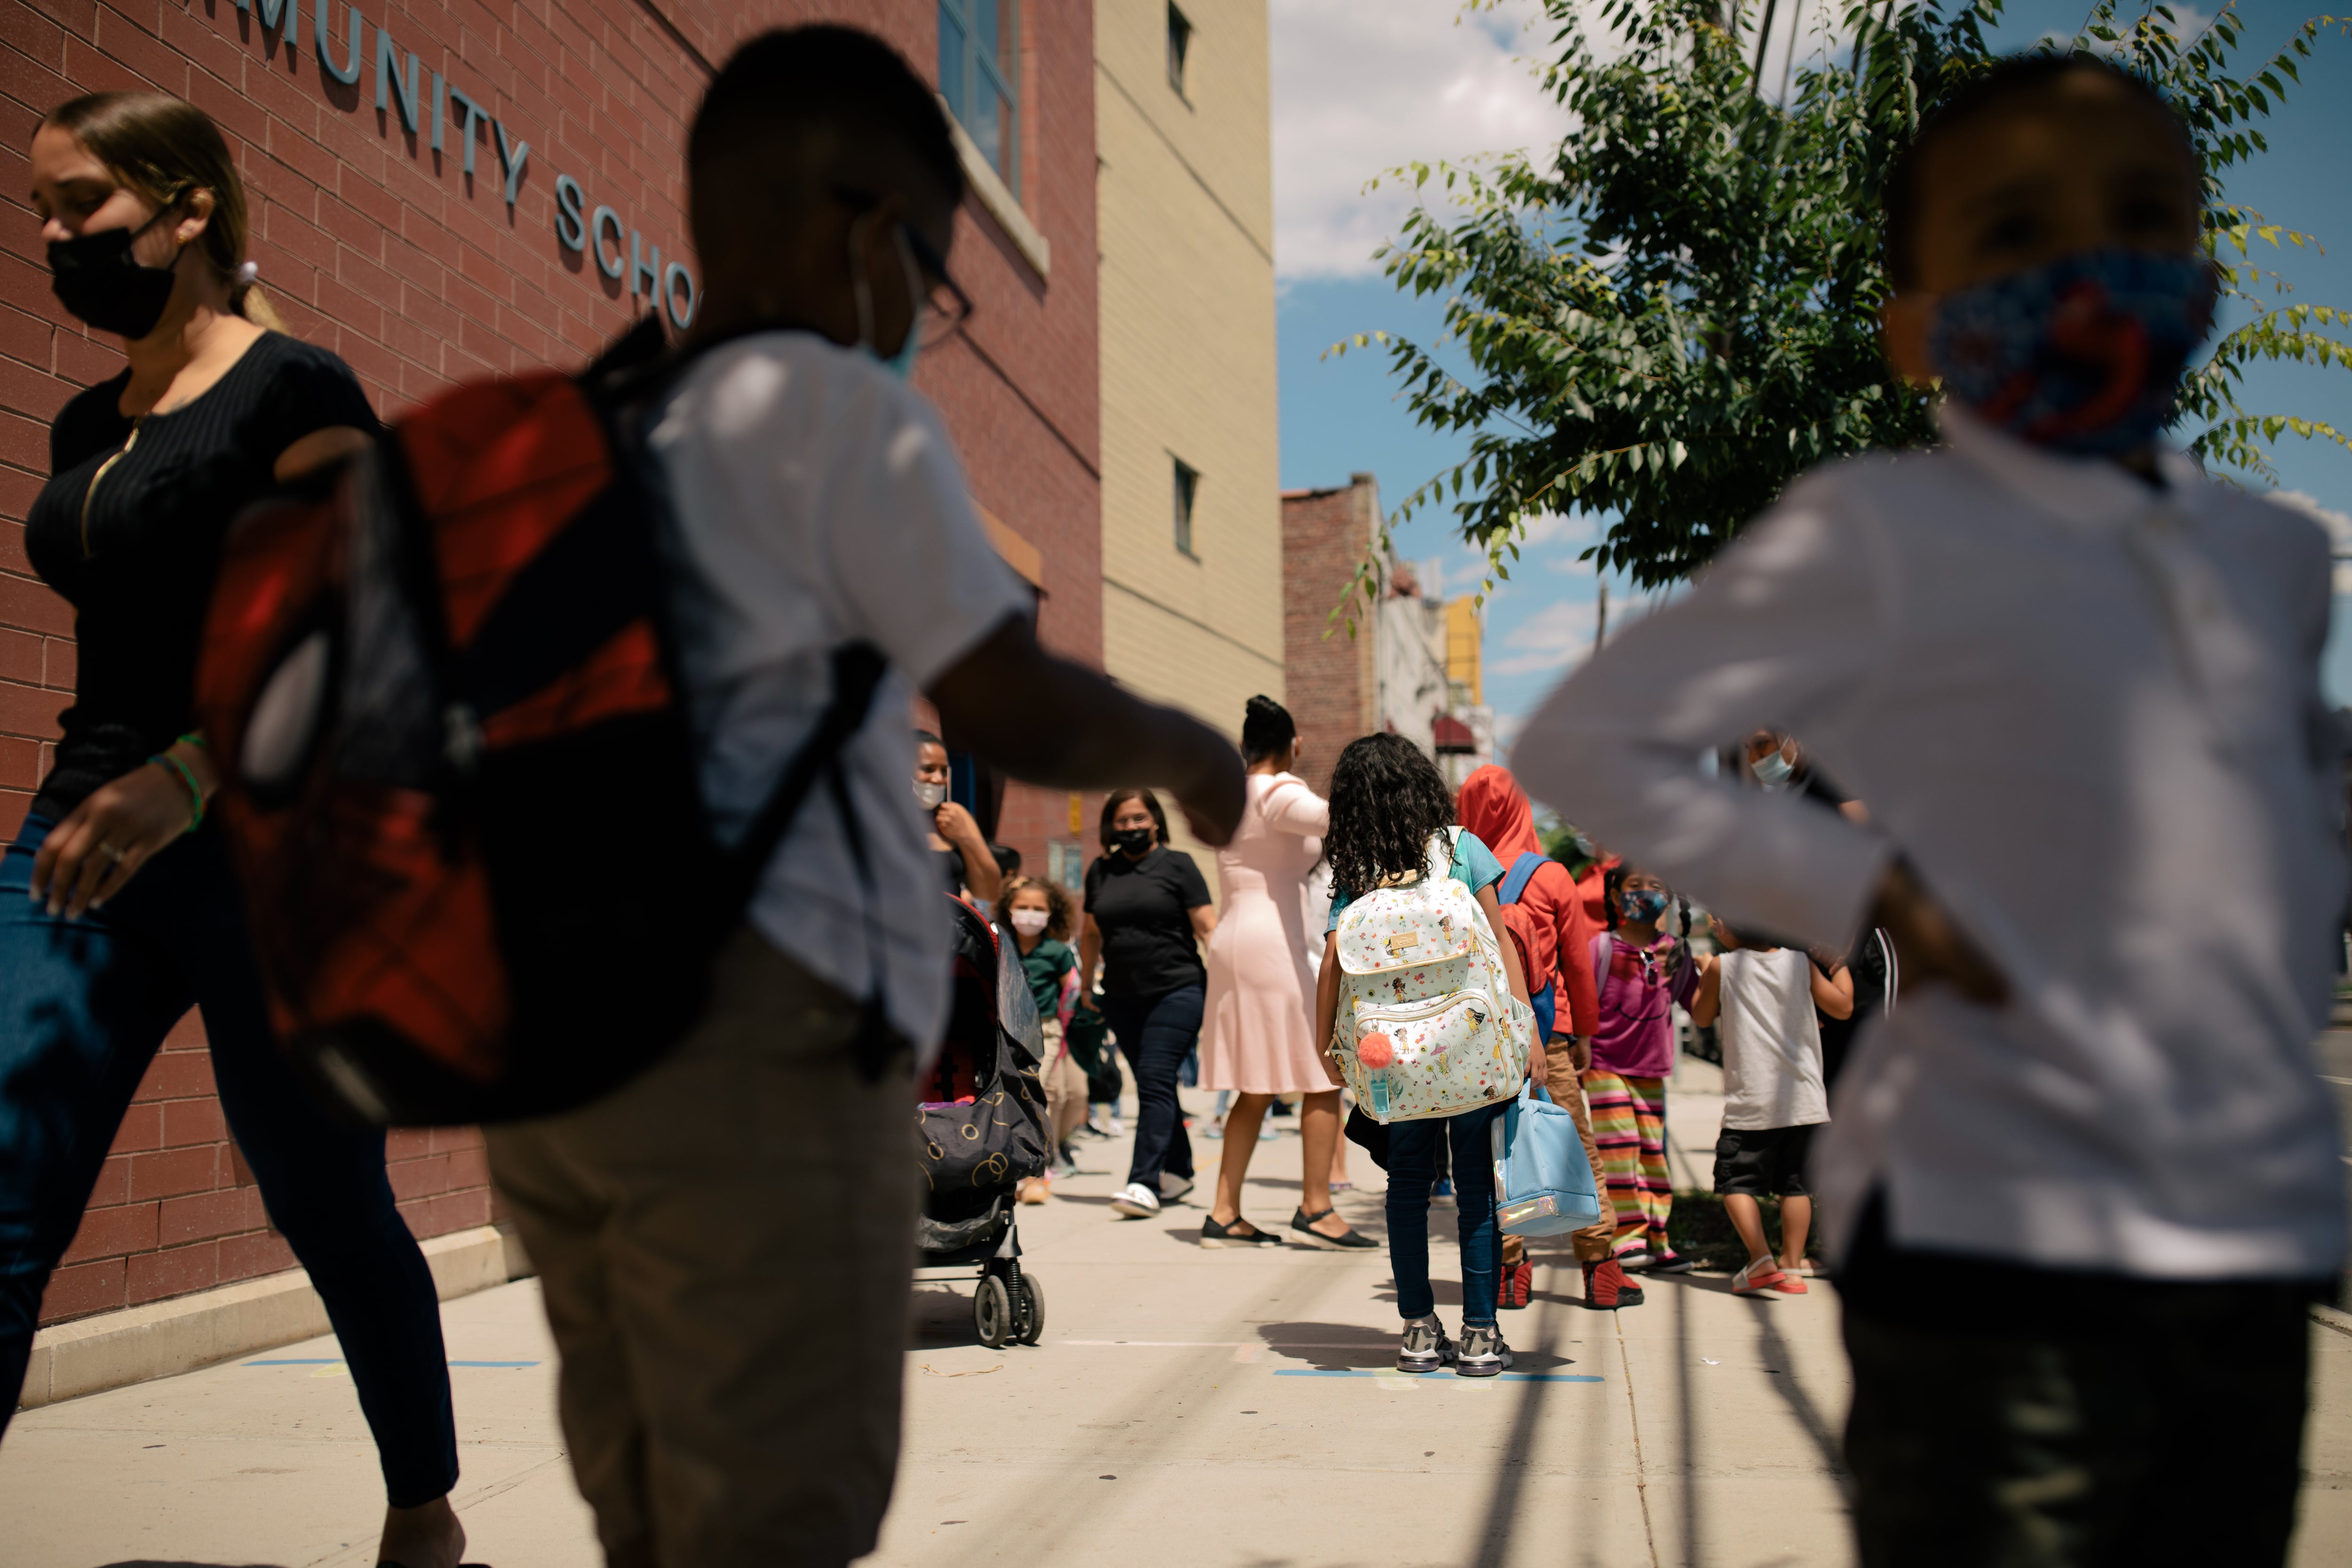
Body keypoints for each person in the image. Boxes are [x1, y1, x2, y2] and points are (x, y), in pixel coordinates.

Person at [1513, 54, 2343, 1567]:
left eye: (2140, 218)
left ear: (2202, 280)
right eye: (2019, 230)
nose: (2087, 270)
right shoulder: (1881, 530)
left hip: (2240, 1223)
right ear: (1913, 329)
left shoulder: (2267, 556)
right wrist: (1868, 886)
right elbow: (1594, 737)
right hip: (1988, 1231)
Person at [477, 30, 1245, 1568]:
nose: (926, 318)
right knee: (778, 1514)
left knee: (644, 1501)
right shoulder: (833, 416)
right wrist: (1192, 751)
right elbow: (1015, 694)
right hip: (743, 1055)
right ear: (862, 234)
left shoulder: (587, 425)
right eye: (937, 277)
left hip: (557, 1061)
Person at [0, 93, 468, 1568]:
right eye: (41, 216)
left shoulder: (295, 396)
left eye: (82, 207)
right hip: (81, 838)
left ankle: (423, 1512)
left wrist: (192, 778)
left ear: (186, 206)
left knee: (326, 1198)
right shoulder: (90, 421)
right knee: (3, 1180)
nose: (56, 241)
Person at [1313, 733, 1535, 1377]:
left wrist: (1325, 1045)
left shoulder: (1359, 872)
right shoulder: (1463, 849)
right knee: (1475, 1191)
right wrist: (1522, 1029)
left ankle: (1416, 1328)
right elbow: (1502, 941)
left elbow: (1333, 962)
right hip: (1469, 1048)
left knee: (1406, 1187)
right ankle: (1479, 1333)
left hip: (1394, 1061)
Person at [1454, 765, 1641, 1311]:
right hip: (1547, 1032)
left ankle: (1511, 1273)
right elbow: (1579, 969)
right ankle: (1600, 1268)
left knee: (1496, 1154)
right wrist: (1584, 1031)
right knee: (1577, 1147)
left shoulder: (1456, 872)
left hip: (1480, 1038)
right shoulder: (1551, 875)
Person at [1197, 697, 1370, 1250]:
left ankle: (1224, 1212)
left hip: (1235, 935)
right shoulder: (1278, 791)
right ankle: (1317, 1207)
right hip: (1271, 939)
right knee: (1322, 1076)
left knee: (1256, 1086)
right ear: (1291, 744)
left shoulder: (1230, 792)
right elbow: (1336, 818)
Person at [1690, 920, 1851, 1295]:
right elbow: (1842, 1007)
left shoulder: (1722, 966)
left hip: (1754, 1100)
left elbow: (1701, 1016)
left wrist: (1703, 971)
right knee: (1795, 1186)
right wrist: (1840, 966)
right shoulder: (1800, 962)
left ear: (1728, 929)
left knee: (1735, 1181)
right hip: (1805, 1099)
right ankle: (1792, 1269)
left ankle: (1761, 1258)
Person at [1080, 788, 1216, 1219]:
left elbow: (1208, 928)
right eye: (1123, 821)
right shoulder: (1101, 870)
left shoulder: (1178, 865)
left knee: (1155, 1078)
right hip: (1121, 997)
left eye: (1140, 818)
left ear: (1156, 821)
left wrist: (1234, 982)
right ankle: (1179, 1168)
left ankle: (1143, 1181)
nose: (1132, 827)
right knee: (1156, 1084)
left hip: (1178, 990)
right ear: (1111, 826)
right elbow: (1090, 934)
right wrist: (1086, 986)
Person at [1584, 866, 1700, 1274]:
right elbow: (1582, 1002)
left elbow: (1701, 1011)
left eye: (1656, 887)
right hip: (1603, 1064)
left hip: (1651, 1069)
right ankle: (1626, 1237)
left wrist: (1704, 967)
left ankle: (1658, 1239)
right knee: (1620, 1149)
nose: (1646, 894)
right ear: (1616, 896)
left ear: (1668, 899)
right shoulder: (1600, 948)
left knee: (1653, 1154)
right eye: (1635, 887)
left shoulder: (1675, 952)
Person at [1000, 874, 1082, 1202]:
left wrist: (1066, 1023)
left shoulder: (1056, 951)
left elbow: (1072, 987)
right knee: (1011, 1099)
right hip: (1006, 1030)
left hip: (1046, 1031)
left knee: (1036, 1098)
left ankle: (1036, 1176)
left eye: (1038, 908)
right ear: (1009, 909)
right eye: (1023, 906)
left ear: (1051, 913)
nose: (1030, 914)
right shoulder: (1001, 944)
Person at [914, 728, 1002, 907]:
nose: (939, 779)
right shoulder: (882, 816)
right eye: (928, 769)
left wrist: (965, 837)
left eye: (944, 772)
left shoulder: (954, 815)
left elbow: (989, 891)